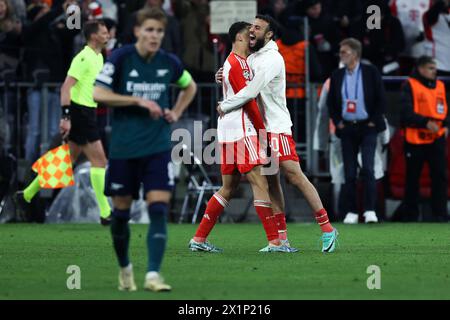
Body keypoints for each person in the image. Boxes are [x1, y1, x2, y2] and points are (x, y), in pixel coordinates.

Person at [93, 7, 197, 292]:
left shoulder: (169, 62)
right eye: (149, 30)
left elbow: (190, 87)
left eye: (159, 31)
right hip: (124, 148)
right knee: (121, 214)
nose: (155, 36)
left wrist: (175, 111)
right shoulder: (120, 58)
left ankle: (153, 275)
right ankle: (125, 268)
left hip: (157, 146)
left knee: (159, 209)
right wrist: (137, 101)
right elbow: (97, 93)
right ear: (138, 31)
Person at [217, 15, 338, 253]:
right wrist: (221, 75)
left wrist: (226, 104)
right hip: (259, 128)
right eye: (251, 26)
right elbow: (239, 76)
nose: (252, 31)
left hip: (276, 127)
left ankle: (327, 228)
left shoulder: (272, 58)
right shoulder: (254, 57)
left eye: (258, 28)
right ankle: (281, 239)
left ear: (270, 35)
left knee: (294, 175)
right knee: (272, 182)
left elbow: (251, 91)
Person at [188, 21, 296, 254]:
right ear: (239, 37)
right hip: (242, 130)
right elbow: (248, 100)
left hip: (227, 131)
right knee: (260, 182)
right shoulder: (237, 65)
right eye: (249, 33)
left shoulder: (234, 63)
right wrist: (261, 132)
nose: (253, 37)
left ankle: (199, 238)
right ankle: (274, 241)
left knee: (228, 187)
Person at [16, 19, 112, 225]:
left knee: (65, 162)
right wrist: (66, 116)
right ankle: (105, 213)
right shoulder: (84, 57)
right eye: (104, 32)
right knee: (100, 161)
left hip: (88, 112)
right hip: (80, 113)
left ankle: (26, 195)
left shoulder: (99, 57)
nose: (108, 35)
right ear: (94, 35)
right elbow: (65, 88)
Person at [327, 38, 387, 224]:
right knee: (350, 172)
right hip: (347, 127)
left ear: (355, 53)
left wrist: (373, 121)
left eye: (344, 52)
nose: (341, 55)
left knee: (368, 169)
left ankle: (370, 210)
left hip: (367, 127)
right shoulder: (337, 75)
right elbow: (331, 103)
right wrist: (339, 122)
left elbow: (381, 98)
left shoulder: (370, 72)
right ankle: (351, 211)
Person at [400, 56, 448, 222]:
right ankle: (411, 216)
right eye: (430, 68)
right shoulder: (410, 85)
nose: (434, 71)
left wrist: (446, 125)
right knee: (412, 178)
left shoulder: (441, 86)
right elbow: (405, 113)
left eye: (434, 68)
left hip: (437, 138)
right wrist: (425, 122)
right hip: (415, 139)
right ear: (420, 69)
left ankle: (440, 214)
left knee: (440, 176)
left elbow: (446, 110)